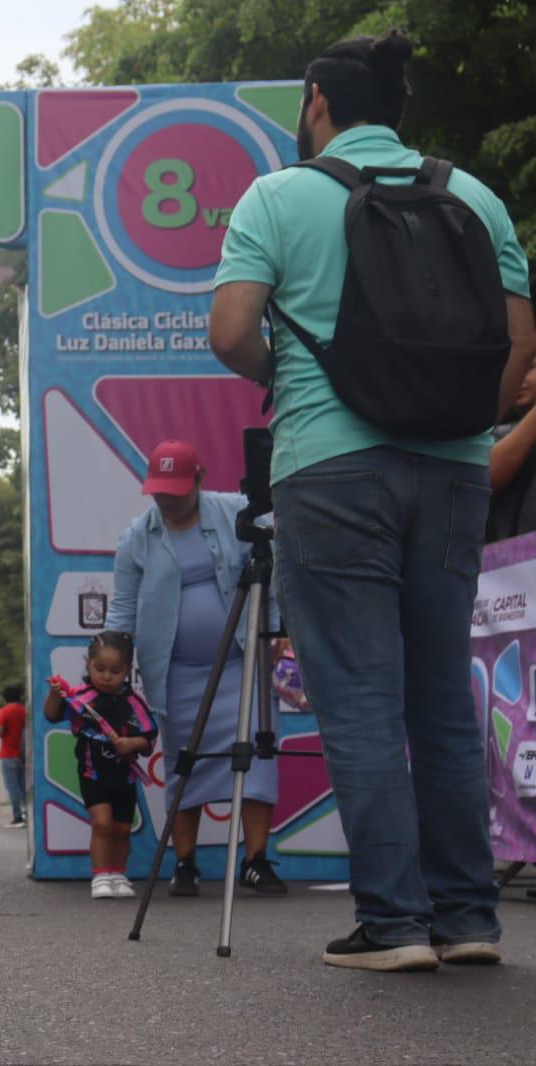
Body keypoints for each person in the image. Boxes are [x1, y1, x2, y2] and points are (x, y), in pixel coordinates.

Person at [210, 30, 535, 970]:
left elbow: (230, 331)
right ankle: (467, 918)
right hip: (452, 470)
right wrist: (454, 419)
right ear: (397, 106)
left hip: (330, 466)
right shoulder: (472, 196)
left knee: (356, 699)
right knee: (439, 698)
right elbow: (517, 348)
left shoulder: (278, 196)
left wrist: (298, 376)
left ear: (316, 99)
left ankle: (392, 924)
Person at [108, 440, 285, 897]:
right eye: (159, 491)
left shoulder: (238, 513)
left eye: (176, 490)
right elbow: (123, 607)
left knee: (257, 759)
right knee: (184, 764)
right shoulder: (137, 538)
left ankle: (255, 860)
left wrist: (281, 627)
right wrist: (111, 661)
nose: (167, 499)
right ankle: (184, 864)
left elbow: (278, 569)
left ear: (200, 479)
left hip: (241, 663)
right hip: (176, 674)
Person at [44, 632, 157, 900]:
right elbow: (51, 714)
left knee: (121, 828)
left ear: (128, 670)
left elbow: (149, 736)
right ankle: (100, 875)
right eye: (100, 669)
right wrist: (55, 694)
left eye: (116, 671)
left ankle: (118, 873)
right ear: (88, 665)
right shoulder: (80, 697)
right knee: (102, 823)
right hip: (92, 772)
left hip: (125, 778)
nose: (107, 676)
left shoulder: (134, 702)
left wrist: (132, 744)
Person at [487, 359, 536, 541]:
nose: (519, 379)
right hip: (513, 564)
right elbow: (485, 479)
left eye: (529, 368)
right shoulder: (494, 433)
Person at [0, 684, 28, 827]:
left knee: (12, 787)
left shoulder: (5, 711)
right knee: (23, 786)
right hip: (23, 754)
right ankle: (28, 813)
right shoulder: (24, 711)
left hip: (8, 753)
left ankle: (17, 816)